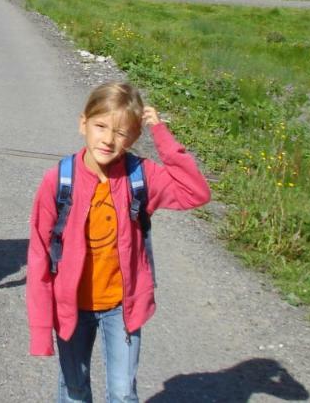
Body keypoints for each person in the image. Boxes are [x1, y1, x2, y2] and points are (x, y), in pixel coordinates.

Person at [26, 81, 211, 403]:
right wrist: (42, 330)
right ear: (83, 123)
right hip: (71, 307)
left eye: (122, 133)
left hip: (121, 308)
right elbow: (40, 255)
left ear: (135, 137)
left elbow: (196, 192)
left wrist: (162, 135)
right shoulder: (58, 181)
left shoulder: (141, 176)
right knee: (74, 390)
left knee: (123, 393)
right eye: (100, 126)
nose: (109, 140)